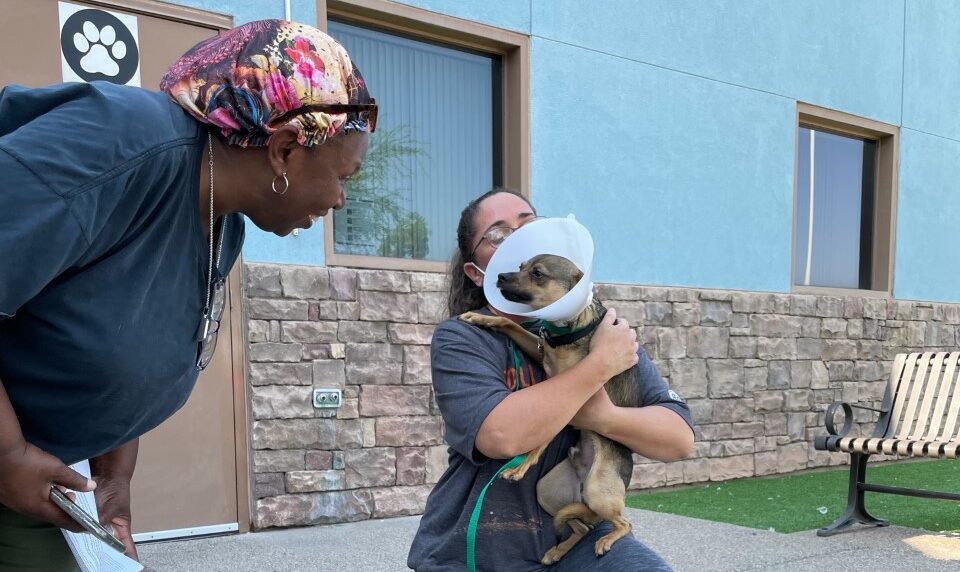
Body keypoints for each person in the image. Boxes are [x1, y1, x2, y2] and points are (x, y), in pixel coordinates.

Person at [0, 19, 376, 571]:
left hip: (41, 472)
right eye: (345, 176)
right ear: (285, 148)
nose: (342, 199)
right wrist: (7, 455)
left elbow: (123, 338)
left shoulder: (224, 220)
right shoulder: (118, 141)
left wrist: (114, 473)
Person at [407, 189, 696, 571]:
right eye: (497, 235)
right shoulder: (464, 336)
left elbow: (678, 440)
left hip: (576, 538)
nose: (516, 240)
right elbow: (502, 435)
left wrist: (600, 415)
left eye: (528, 226)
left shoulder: (602, 330)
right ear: (477, 273)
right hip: (476, 550)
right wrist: (599, 366)